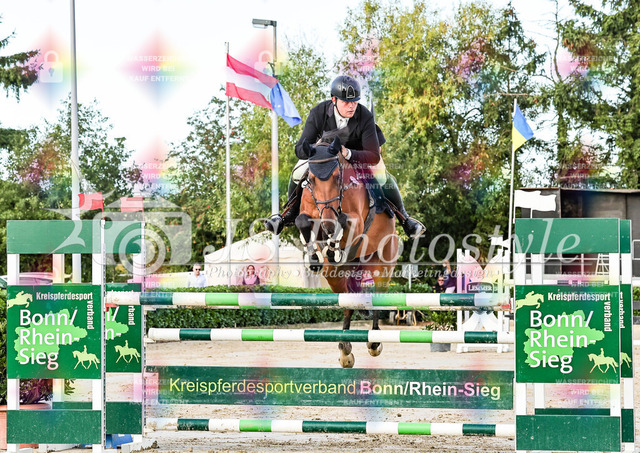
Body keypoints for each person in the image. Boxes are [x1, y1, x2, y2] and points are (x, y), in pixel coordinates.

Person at [265, 75, 425, 238]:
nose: (351, 106)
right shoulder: (318, 112)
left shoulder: (364, 116)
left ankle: (405, 219)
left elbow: (374, 156)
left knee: (381, 175)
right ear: (334, 100)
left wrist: (348, 153)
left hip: (358, 154)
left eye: (354, 102)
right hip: (325, 155)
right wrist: (318, 150)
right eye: (346, 102)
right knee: (298, 172)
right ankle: (289, 214)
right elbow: (299, 149)